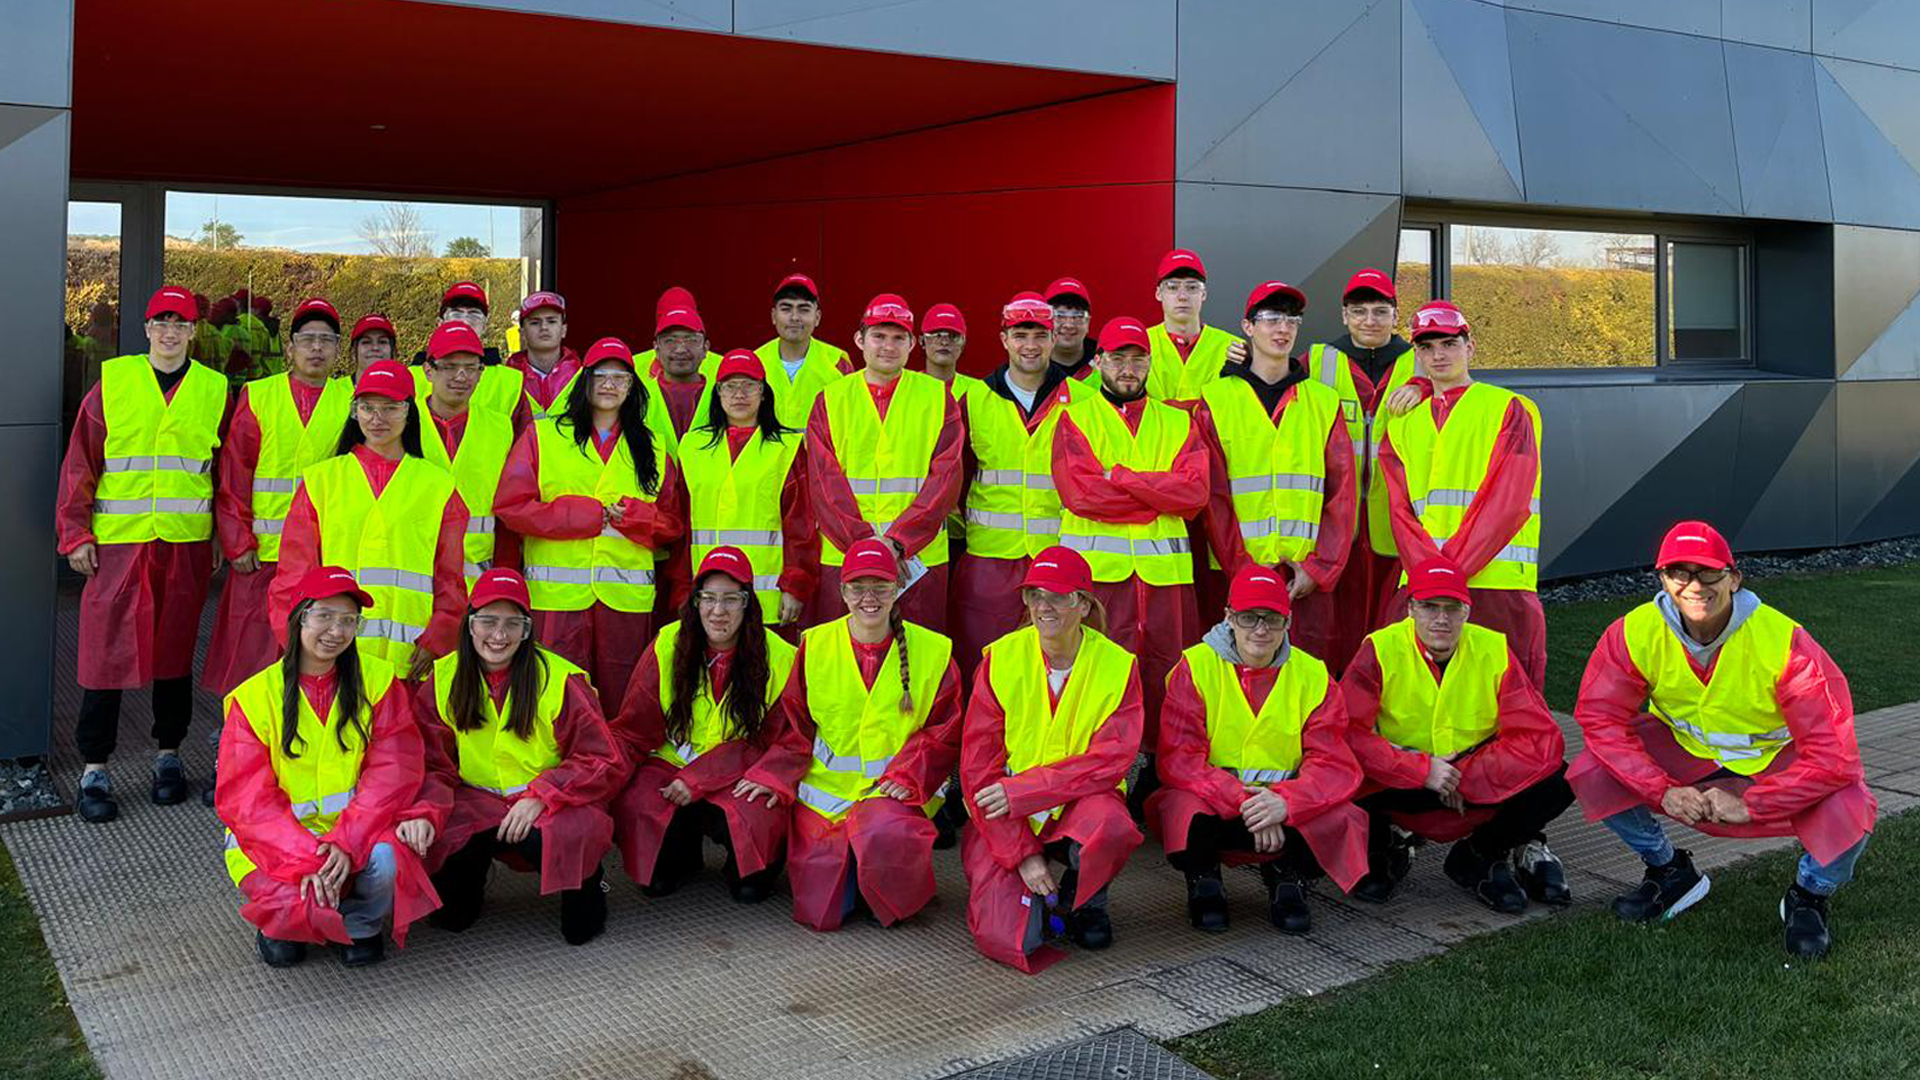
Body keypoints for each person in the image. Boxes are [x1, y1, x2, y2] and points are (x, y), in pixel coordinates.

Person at [1568, 522, 1876, 958]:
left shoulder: (1784, 641)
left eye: (1708, 572)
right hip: (1688, 755)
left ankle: (1809, 895)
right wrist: (1663, 790)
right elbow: (1601, 718)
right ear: (1661, 579)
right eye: (1679, 573)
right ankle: (1670, 872)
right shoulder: (1634, 632)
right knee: (1593, 769)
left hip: (1771, 759)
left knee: (1850, 802)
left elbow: (1834, 756)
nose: (1694, 585)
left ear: (1734, 577)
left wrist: (1754, 803)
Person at [57, 285, 227, 823]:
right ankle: (95, 767)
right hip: (119, 544)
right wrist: (75, 533)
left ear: (194, 331)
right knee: (105, 650)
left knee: (175, 654)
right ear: (147, 328)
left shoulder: (215, 390)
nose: (171, 332)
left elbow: (227, 474)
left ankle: (168, 756)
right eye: (162, 322)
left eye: (181, 322)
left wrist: (225, 534)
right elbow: (80, 462)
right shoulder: (114, 383)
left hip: (183, 543)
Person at [217, 567, 439, 968]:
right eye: (324, 616)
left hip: (356, 833)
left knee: (389, 862)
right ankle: (284, 921)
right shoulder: (253, 698)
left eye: (348, 620)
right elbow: (248, 802)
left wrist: (345, 841)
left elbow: (394, 769)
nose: (336, 630)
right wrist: (306, 858)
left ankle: (360, 923)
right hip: (277, 845)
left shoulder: (378, 680)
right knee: (288, 946)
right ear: (300, 616)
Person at [741, 539, 963, 931]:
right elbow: (793, 726)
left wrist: (907, 775)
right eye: (857, 587)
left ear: (898, 589)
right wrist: (770, 776)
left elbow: (945, 730)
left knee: (886, 889)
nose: (869, 598)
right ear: (842, 592)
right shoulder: (814, 645)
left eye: (881, 587)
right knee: (824, 913)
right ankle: (856, 870)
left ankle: (878, 875)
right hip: (827, 798)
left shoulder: (934, 651)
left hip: (893, 793)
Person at [1342, 557, 1574, 913]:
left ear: (1467, 611)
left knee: (1559, 780)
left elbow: (1538, 738)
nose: (1441, 619)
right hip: (1404, 778)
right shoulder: (1379, 648)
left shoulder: (1493, 649)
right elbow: (1348, 732)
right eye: (1429, 607)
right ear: (1410, 608)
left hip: (1469, 779)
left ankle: (1480, 855)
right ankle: (1382, 846)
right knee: (1344, 770)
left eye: (1452, 608)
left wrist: (1463, 779)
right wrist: (1420, 770)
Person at [1148, 565, 1367, 935]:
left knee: (1342, 814)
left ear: (1288, 620)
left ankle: (1288, 878)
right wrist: (1247, 802)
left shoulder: (1313, 675)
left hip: (1285, 812)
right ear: (1228, 617)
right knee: (1181, 806)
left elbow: (1333, 763)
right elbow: (1179, 758)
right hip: (1221, 805)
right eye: (1249, 618)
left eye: (1272, 618)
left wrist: (1285, 803)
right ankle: (1204, 880)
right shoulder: (1196, 667)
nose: (1261, 629)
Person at [414, 568, 625, 945]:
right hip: (476, 802)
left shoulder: (560, 679)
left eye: (513, 624)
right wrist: (426, 814)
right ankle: (471, 878)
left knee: (581, 929)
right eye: (488, 622)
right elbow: (431, 764)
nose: (499, 635)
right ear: (469, 624)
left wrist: (542, 795)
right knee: (450, 917)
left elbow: (602, 760)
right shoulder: (443, 678)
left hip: (551, 802)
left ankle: (589, 883)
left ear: (528, 630)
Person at [961, 546, 1143, 972]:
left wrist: (1024, 791)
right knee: (1011, 938)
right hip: (1005, 816)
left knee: (1112, 826)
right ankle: (1039, 893)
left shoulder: (1118, 666)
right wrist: (1021, 852)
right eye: (1034, 594)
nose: (1043, 606)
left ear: (1083, 603)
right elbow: (976, 768)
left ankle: (1088, 901)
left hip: (1073, 806)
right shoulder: (1000, 658)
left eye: (1058, 596)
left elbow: (1111, 760)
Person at [1050, 315, 1208, 799]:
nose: (1128, 366)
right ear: (1099, 361)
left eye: (1138, 357)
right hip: (1100, 580)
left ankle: (1157, 779)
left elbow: (1195, 493)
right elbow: (1081, 495)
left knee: (1166, 678)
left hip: (1164, 578)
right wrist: (1157, 493)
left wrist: (1123, 477)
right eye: (1118, 357)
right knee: (1100, 678)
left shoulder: (1179, 421)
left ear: (1149, 362)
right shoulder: (1075, 418)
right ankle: (1101, 777)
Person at [496, 337, 686, 713]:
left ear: (633, 388)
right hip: (557, 600)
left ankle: (617, 768)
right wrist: (580, 517)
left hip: (625, 603)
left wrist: (636, 518)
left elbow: (673, 525)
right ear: (584, 381)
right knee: (557, 699)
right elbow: (510, 506)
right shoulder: (543, 436)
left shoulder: (653, 447)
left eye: (620, 377)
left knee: (622, 700)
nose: (610, 384)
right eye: (601, 374)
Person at [609, 547, 799, 901]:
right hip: (673, 764)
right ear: (695, 602)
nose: (718, 611)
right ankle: (681, 853)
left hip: (744, 771)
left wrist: (700, 778)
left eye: (731, 599)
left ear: (748, 604)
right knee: (639, 811)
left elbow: (781, 739)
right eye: (708, 598)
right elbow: (635, 725)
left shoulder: (781, 657)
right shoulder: (668, 644)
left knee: (753, 871)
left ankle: (752, 869)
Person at [1377, 300, 1546, 689]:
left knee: (1506, 693)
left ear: (1470, 347)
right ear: (1416, 354)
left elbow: (1509, 501)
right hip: (1426, 579)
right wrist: (1434, 576)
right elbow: (1400, 511)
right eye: (1427, 347)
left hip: (1496, 580)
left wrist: (1442, 575)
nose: (1438, 355)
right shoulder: (1404, 423)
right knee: (1420, 690)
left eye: (1449, 344)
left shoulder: (1508, 408)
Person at [269, 361, 469, 681]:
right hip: (333, 652)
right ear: (354, 411)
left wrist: (440, 638)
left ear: (409, 411)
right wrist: (298, 641)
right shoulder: (322, 480)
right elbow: (294, 574)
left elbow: (450, 576)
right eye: (367, 408)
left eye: (390, 407)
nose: (378, 419)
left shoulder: (439, 486)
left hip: (411, 657)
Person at [1194, 281, 1356, 666]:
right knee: (1235, 677)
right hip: (1237, 571)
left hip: (1304, 578)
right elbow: (1213, 497)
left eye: (1291, 320)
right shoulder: (1216, 399)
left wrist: (1320, 569)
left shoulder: (1322, 401)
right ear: (1247, 327)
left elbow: (1342, 494)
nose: (1282, 329)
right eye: (1270, 319)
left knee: (1309, 677)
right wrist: (1242, 566)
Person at [207, 298, 356, 708]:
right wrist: (237, 542)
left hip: (324, 555)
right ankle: (239, 731)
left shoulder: (352, 401)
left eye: (327, 340)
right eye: (307, 339)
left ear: (338, 349)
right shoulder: (259, 396)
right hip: (262, 555)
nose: (316, 348)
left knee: (317, 652)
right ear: (290, 347)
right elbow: (235, 475)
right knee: (251, 651)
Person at [952, 293, 1088, 685]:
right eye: (1020, 334)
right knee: (984, 659)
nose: (1030, 345)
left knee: (1057, 663)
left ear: (1052, 337)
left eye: (1039, 334)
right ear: (1004, 339)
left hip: (1060, 553)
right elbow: (955, 474)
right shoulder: (974, 399)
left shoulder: (1083, 401)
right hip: (989, 558)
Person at [806, 294, 964, 631]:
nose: (888, 346)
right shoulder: (831, 399)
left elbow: (945, 480)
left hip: (917, 559)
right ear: (860, 340)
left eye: (898, 338)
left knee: (922, 656)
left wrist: (898, 543)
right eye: (879, 336)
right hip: (845, 554)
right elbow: (823, 483)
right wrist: (866, 544)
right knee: (844, 657)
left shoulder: (937, 397)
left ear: (911, 344)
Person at [1311, 269, 1420, 676]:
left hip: (1400, 520)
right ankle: (1336, 701)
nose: (1369, 320)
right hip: (1338, 520)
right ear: (1344, 316)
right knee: (1337, 624)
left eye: (1380, 311)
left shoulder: (1421, 361)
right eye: (1359, 311)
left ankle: (1384, 705)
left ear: (1395, 315)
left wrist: (1425, 388)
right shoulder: (1318, 360)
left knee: (1394, 624)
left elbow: (1457, 393)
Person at [679, 351, 816, 627]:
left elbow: (801, 524)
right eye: (730, 386)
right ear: (717, 392)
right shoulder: (691, 447)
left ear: (764, 392)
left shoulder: (786, 448)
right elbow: (681, 524)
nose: (739, 394)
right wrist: (682, 590)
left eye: (749, 385)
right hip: (706, 595)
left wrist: (795, 585)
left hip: (766, 595)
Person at [417, 321, 518, 590]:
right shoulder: (401, 422)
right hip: (413, 575)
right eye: (449, 366)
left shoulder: (501, 428)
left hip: (476, 581)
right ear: (428, 370)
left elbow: (509, 508)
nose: (461, 376)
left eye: (471, 367)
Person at [755, 273, 854, 430]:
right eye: (786, 309)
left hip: (819, 454)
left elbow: (851, 420)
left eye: (804, 309)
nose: (795, 317)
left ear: (817, 317)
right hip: (766, 454)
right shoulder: (756, 362)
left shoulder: (837, 363)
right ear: (774, 316)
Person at [410, 282, 523, 418]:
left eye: (474, 314)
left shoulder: (511, 381)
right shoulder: (411, 377)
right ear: (440, 323)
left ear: (485, 325)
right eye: (456, 314)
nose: (465, 321)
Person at [1144, 249, 1244, 404]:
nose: (1182, 296)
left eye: (1192, 288)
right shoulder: (1140, 344)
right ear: (1158, 294)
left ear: (1203, 294)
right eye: (1172, 287)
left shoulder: (1233, 348)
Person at [505, 291, 579, 424]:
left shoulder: (581, 378)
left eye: (551, 321)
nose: (544, 327)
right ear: (522, 333)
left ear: (564, 330)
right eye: (535, 322)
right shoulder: (506, 379)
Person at [646, 302, 714, 442]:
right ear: (656, 349)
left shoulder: (723, 396)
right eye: (670, 341)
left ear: (705, 348)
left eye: (691, 340)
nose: (680, 349)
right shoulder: (639, 397)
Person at [1043, 277, 1099, 384]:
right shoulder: (1030, 363)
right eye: (1059, 315)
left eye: (1077, 316)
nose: (1068, 324)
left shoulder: (1108, 364)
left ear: (1088, 322)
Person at [919, 303, 974, 393]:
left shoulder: (976, 391)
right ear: (922, 341)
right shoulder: (905, 388)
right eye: (937, 335)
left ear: (963, 342)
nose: (944, 342)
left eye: (953, 336)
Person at [350, 314, 397, 378]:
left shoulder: (407, 387)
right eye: (366, 342)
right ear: (353, 352)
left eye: (382, 342)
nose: (375, 347)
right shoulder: (335, 387)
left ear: (393, 352)